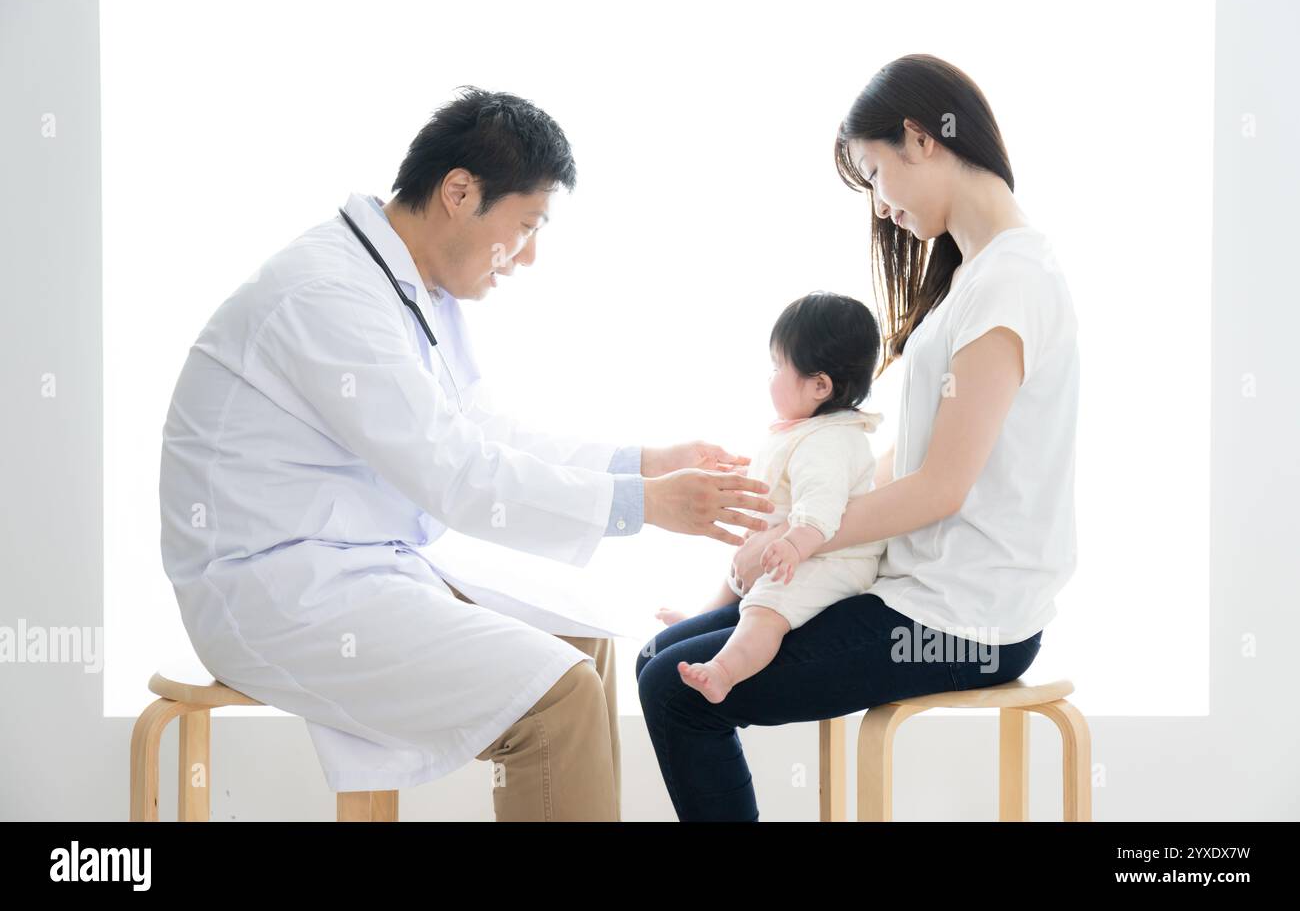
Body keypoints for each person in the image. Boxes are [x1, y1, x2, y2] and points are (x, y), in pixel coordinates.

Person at [158, 87, 775, 821]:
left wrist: (639, 463)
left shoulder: (411, 287)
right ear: (459, 192)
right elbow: (456, 475)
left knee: (582, 639)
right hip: (268, 591)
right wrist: (646, 506)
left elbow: (482, 429)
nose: (530, 255)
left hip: (351, 563)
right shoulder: (328, 295)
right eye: (526, 224)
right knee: (560, 694)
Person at [636, 54, 1079, 821]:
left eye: (874, 173)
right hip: (921, 594)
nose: (880, 204)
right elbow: (906, 461)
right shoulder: (978, 278)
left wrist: (803, 537)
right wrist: (797, 517)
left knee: (675, 693)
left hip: (967, 622)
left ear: (920, 138)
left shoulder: (1011, 283)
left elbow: (942, 486)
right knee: (660, 662)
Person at [655, 293, 890, 704]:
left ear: (820, 385)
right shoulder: (803, 430)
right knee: (735, 577)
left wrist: (794, 545)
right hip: (789, 550)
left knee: (766, 609)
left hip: (829, 562)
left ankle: (725, 670)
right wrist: (740, 475)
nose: (770, 378)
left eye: (778, 367)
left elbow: (821, 505)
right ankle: (703, 617)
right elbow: (783, 482)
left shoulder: (831, 441)